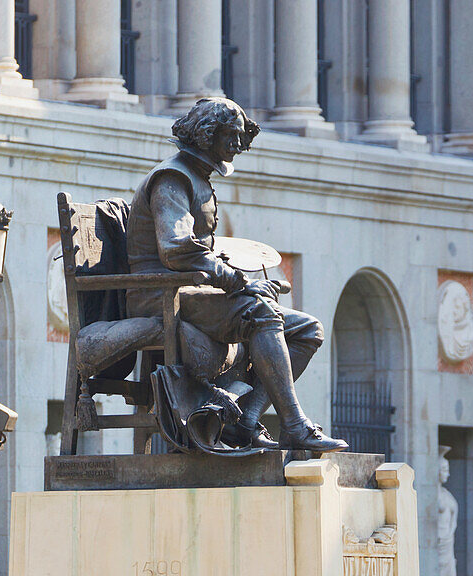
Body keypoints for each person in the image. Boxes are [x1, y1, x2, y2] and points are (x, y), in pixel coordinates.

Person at [126, 97, 347, 453]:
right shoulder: (172, 178)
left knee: (308, 329)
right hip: (160, 296)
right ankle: (294, 424)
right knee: (260, 313)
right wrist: (236, 281)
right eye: (230, 136)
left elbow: (200, 252)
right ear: (206, 134)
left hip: (189, 292)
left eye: (240, 137)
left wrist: (249, 282)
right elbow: (176, 247)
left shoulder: (196, 177)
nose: (236, 145)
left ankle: (245, 421)